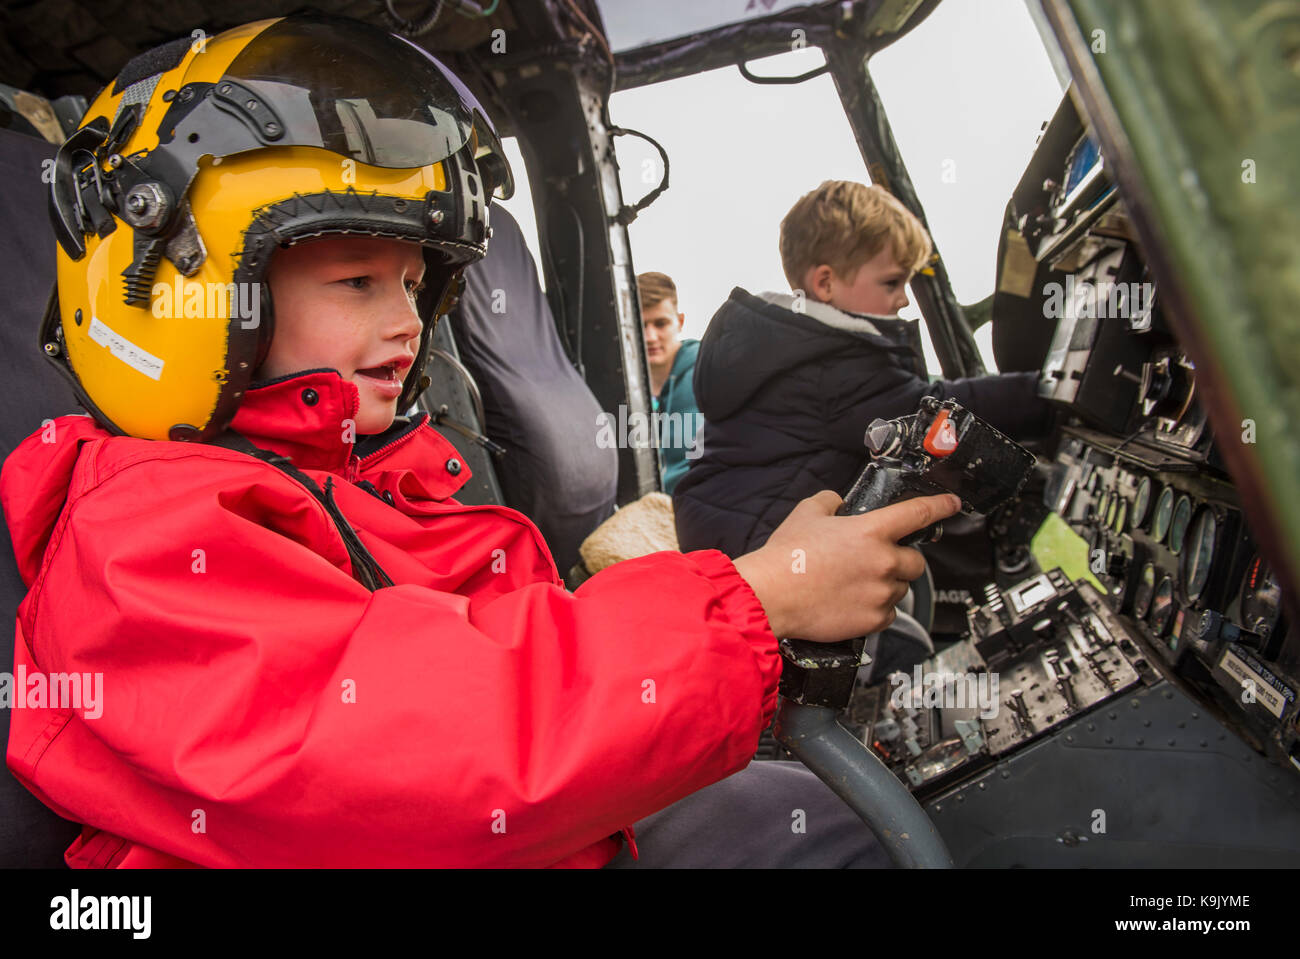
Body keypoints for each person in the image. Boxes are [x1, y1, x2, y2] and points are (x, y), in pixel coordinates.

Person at [0, 16, 959, 868]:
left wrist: (741, 612)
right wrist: (750, 601)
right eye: (356, 282)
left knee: (824, 810)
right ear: (176, 289)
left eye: (414, 283)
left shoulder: (377, 482)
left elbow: (496, 657)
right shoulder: (140, 529)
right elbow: (415, 751)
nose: (408, 321)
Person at [673, 180, 1053, 559]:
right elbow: (931, 412)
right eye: (892, 282)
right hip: (764, 551)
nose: (904, 298)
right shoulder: (830, 364)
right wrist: (1050, 392)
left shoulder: (783, 346)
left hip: (726, 536)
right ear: (826, 283)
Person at [638, 271, 701, 494]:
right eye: (641, 325)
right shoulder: (629, 387)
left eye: (660, 324)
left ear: (680, 322)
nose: (650, 336)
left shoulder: (704, 375)